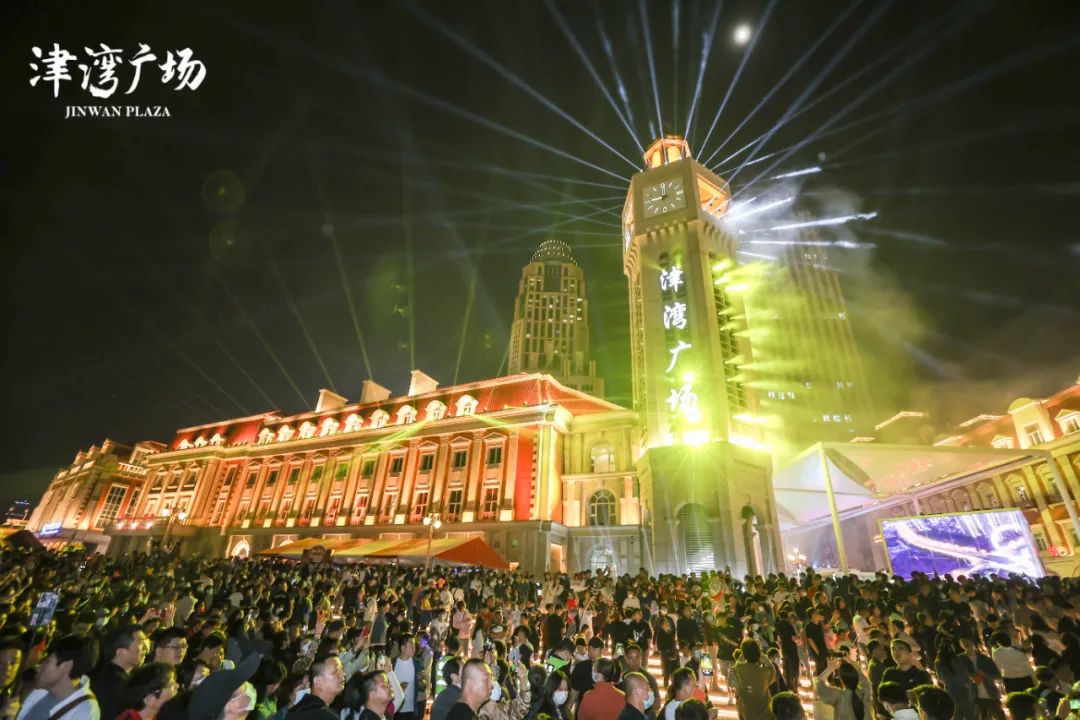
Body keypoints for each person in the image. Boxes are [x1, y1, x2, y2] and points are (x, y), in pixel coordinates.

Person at [16, 634, 100, 720]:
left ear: (66, 666)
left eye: (47, 661)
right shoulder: (43, 689)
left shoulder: (84, 713)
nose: (39, 666)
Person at [93, 624, 148, 720]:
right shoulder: (115, 684)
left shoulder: (110, 674)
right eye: (141, 643)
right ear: (121, 652)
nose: (145, 648)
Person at [287, 655, 345, 720]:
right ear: (318, 681)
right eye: (336, 671)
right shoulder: (325, 717)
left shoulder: (297, 710)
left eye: (342, 670)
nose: (343, 674)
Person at [732, 639, 774, 720]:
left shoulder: (739, 668)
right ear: (758, 653)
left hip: (746, 712)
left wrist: (744, 653)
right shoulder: (765, 671)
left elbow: (738, 661)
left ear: (744, 654)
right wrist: (762, 655)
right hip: (764, 713)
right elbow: (771, 667)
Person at [622, 646, 658, 719]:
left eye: (637, 657)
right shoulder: (624, 677)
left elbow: (657, 703)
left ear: (641, 658)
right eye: (631, 658)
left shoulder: (649, 678)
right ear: (626, 659)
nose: (634, 661)